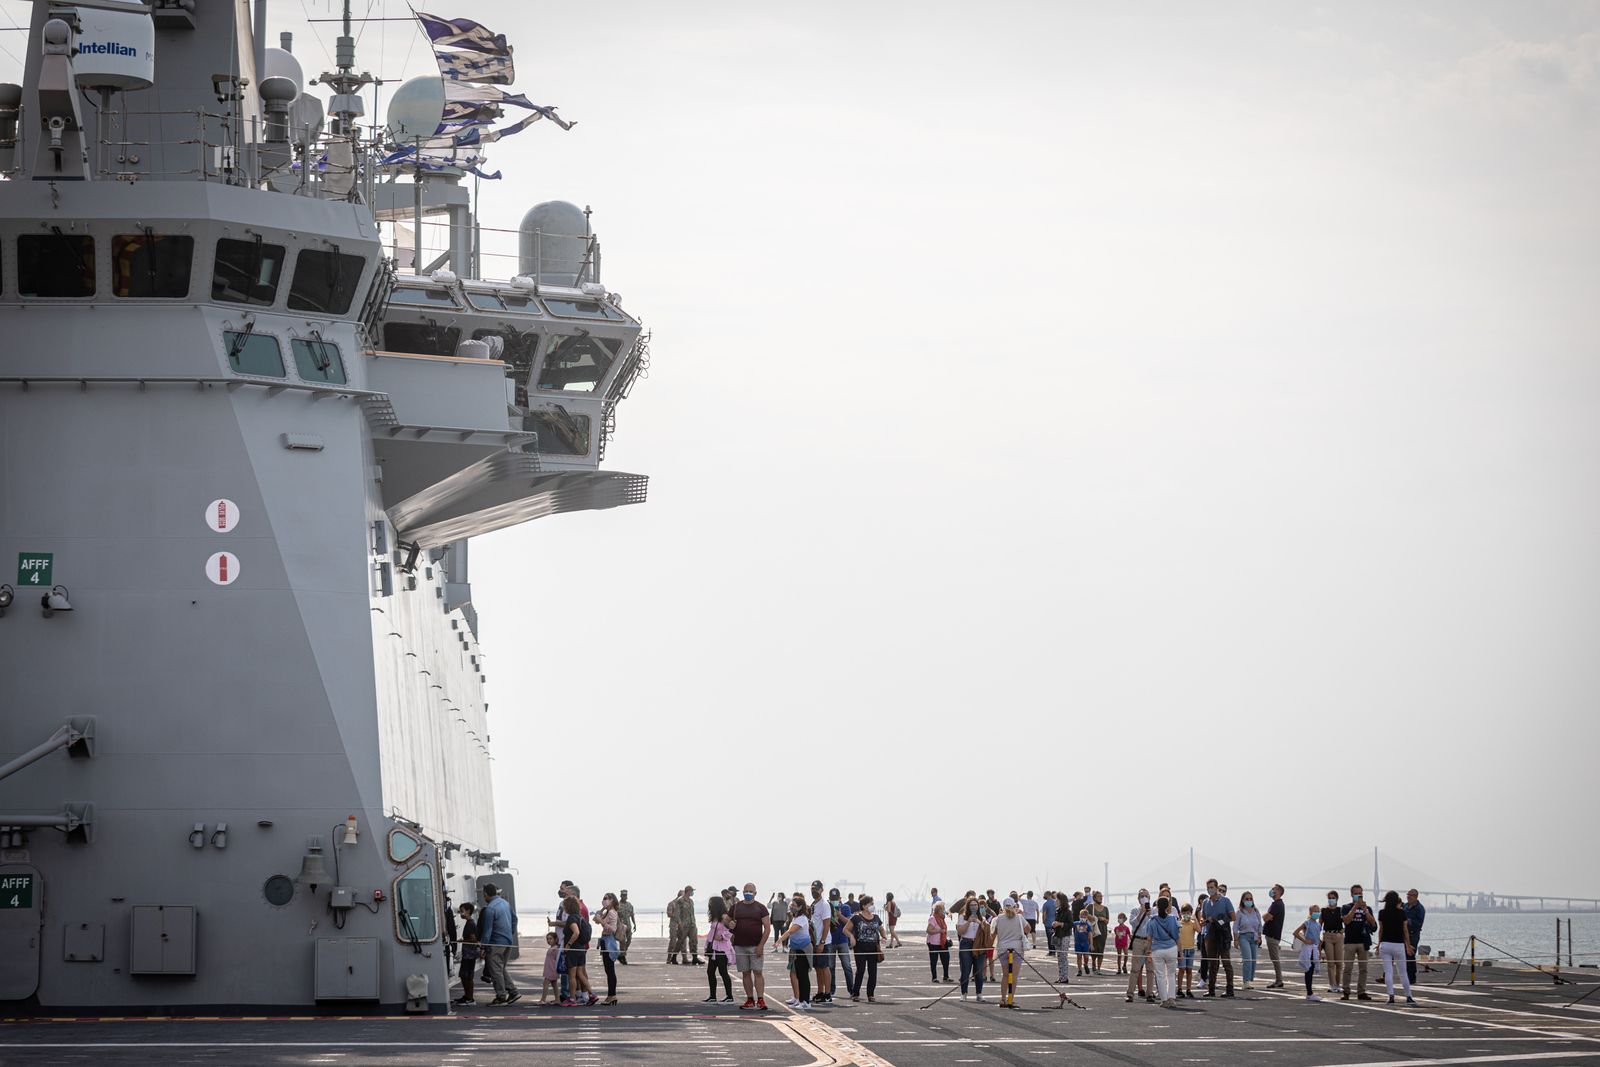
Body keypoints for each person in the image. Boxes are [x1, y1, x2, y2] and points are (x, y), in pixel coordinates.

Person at [478, 882, 520, 1005]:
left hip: (496, 943)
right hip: (507, 941)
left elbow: (488, 929)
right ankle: (513, 992)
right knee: (500, 968)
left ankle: (501, 996)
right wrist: (510, 933)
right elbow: (514, 919)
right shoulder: (505, 903)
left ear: (485, 894)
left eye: (483, 895)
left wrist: (483, 946)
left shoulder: (490, 908)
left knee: (495, 970)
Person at [731, 883, 772, 1010]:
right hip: (740, 945)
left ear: (755, 893)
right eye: (746, 891)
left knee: (758, 972)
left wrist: (761, 946)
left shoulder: (761, 908)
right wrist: (730, 924)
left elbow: (767, 928)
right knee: (745, 973)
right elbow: (726, 920)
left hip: (755, 946)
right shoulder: (736, 907)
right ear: (742, 892)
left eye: (750, 891)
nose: (748, 893)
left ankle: (760, 999)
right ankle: (750, 999)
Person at [1377, 890, 1417, 1005]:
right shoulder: (1402, 913)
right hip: (1399, 945)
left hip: (1385, 944)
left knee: (1388, 972)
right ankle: (1408, 996)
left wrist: (1379, 944)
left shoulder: (1382, 913)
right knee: (1403, 972)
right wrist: (1408, 946)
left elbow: (1381, 930)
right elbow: (1405, 930)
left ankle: (1390, 996)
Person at [1341, 884, 1377, 1002]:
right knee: (1348, 968)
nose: (1358, 896)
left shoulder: (1367, 908)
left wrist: (1365, 910)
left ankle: (1361, 991)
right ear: (1351, 895)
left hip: (1363, 941)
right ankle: (1346, 991)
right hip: (1350, 941)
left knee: (1363, 969)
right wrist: (1355, 907)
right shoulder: (1346, 907)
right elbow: (1346, 921)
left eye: (1360, 894)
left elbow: (1373, 924)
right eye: (1356, 894)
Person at [1202, 879, 1236, 997]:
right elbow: (1203, 917)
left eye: (1212, 887)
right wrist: (1204, 921)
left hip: (1223, 935)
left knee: (1226, 962)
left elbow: (1233, 917)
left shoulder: (1225, 901)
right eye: (1208, 887)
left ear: (1217, 888)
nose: (1210, 890)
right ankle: (1211, 989)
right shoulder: (1206, 902)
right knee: (1212, 964)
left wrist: (1218, 920)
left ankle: (1230, 989)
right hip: (1210, 935)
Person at [561, 896, 596, 1007]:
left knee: (572, 975)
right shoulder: (580, 917)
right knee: (581, 974)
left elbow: (576, 932)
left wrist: (568, 945)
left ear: (568, 907)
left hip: (573, 950)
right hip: (581, 948)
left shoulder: (572, 918)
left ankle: (572, 998)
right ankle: (592, 994)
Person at [994, 897, 1028, 1008]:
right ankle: (1010, 999)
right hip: (1016, 949)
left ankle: (1003, 999)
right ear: (1014, 906)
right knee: (1014, 976)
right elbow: (1028, 929)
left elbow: (993, 932)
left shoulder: (998, 918)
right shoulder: (1019, 917)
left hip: (1002, 949)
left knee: (1005, 975)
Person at [850, 896, 885, 1002]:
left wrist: (884, 937)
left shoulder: (876, 918)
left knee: (872, 971)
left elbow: (881, 929)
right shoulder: (856, 917)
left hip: (873, 947)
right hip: (860, 947)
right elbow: (846, 929)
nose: (872, 906)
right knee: (860, 970)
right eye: (870, 904)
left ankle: (871, 994)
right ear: (864, 906)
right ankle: (855, 993)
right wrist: (851, 937)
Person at [782, 897, 814, 1010]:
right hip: (796, 949)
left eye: (794, 905)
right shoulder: (795, 918)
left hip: (803, 949)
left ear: (800, 907)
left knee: (803, 976)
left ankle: (805, 1001)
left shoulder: (802, 919)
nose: (791, 907)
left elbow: (790, 931)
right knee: (799, 975)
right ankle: (801, 1000)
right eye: (791, 905)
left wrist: (778, 941)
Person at [1150, 896, 1181, 1008]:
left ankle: (1164, 1000)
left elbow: (1149, 937)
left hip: (1157, 949)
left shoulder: (1152, 920)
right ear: (1168, 906)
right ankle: (1171, 998)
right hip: (1171, 948)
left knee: (1160, 975)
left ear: (1157, 906)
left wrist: (1149, 951)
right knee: (1171, 975)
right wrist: (1180, 953)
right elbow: (1177, 937)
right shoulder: (1173, 919)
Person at [1125, 889, 1154, 1003]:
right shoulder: (1135, 910)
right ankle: (1130, 993)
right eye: (1142, 896)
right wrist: (1142, 912)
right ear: (1138, 899)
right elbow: (1133, 923)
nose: (1144, 898)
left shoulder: (1153, 911)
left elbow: (1155, 924)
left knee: (1150, 969)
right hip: (1138, 940)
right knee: (1135, 968)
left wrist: (1149, 914)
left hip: (1150, 941)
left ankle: (1150, 993)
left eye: (1146, 896)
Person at [704, 899, 736, 1003]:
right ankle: (712, 996)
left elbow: (731, 930)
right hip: (713, 947)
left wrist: (722, 937)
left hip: (721, 948)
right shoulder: (715, 917)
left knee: (723, 972)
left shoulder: (724, 917)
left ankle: (729, 996)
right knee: (710, 972)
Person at [956, 898, 987, 1002]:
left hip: (978, 944)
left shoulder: (982, 917)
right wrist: (968, 921)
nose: (974, 907)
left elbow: (987, 932)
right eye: (972, 905)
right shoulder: (962, 917)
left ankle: (979, 993)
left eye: (976, 905)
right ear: (968, 906)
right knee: (965, 969)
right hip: (966, 943)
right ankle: (964, 993)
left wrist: (979, 922)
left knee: (979, 970)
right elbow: (960, 932)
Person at [827, 887, 855, 1002]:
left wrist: (839, 915)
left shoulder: (845, 907)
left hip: (843, 941)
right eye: (832, 899)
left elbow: (850, 923)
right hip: (831, 941)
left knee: (847, 966)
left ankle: (852, 990)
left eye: (836, 898)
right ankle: (831, 990)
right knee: (831, 967)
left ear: (840, 898)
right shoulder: (827, 908)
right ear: (829, 899)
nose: (834, 900)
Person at [809, 881, 834, 1003]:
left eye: (816, 889)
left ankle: (828, 993)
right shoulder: (813, 904)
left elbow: (826, 925)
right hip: (814, 941)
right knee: (818, 967)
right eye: (812, 888)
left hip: (823, 941)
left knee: (824, 967)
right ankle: (820, 991)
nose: (814, 891)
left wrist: (822, 942)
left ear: (821, 890)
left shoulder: (824, 905)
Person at [594, 892, 621, 1004]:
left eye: (606, 899)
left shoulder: (612, 913)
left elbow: (613, 929)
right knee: (607, 969)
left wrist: (602, 922)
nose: (604, 900)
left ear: (612, 900)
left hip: (609, 941)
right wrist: (601, 912)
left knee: (610, 970)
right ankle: (611, 995)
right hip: (605, 941)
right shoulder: (607, 912)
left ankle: (612, 995)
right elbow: (596, 920)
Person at [1293, 905, 1324, 1001]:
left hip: (1315, 949)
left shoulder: (1319, 925)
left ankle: (1310, 992)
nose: (1317, 913)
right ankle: (1309, 993)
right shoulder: (1307, 923)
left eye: (1318, 911)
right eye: (1314, 911)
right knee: (1308, 970)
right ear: (1310, 913)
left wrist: (1319, 952)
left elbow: (1318, 940)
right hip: (1308, 949)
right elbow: (1296, 932)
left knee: (1312, 970)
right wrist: (1305, 941)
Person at [1236, 890, 1262, 990]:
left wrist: (1259, 936)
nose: (1249, 900)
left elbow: (1260, 925)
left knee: (1254, 960)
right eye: (1247, 899)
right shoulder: (1239, 912)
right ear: (1243, 900)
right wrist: (1235, 939)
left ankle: (1250, 980)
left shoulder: (1256, 911)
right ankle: (1245, 982)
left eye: (1250, 899)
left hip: (1254, 937)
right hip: (1243, 936)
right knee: (1248, 959)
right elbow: (1235, 926)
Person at [454, 902, 480, 1006]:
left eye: (462, 911)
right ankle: (467, 996)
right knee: (464, 975)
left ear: (468, 911)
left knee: (467, 976)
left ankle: (470, 998)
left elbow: (473, 939)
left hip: (469, 955)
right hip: (468, 954)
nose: (461, 913)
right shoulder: (470, 923)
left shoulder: (470, 924)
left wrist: (462, 941)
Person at [1320, 890, 1345, 993]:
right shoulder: (1324, 911)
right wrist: (1319, 939)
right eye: (1329, 898)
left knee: (1339, 963)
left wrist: (1342, 931)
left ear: (1337, 899)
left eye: (1333, 898)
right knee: (1331, 963)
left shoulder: (1341, 910)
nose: (1331, 900)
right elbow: (1319, 925)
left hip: (1338, 936)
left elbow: (1347, 922)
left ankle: (1338, 984)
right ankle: (1332, 985)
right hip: (1328, 936)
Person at [1263, 885, 1287, 989]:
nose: (1271, 891)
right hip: (1274, 935)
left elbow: (1266, 917)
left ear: (1278, 892)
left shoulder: (1277, 904)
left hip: (1272, 935)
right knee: (1275, 958)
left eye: (1274, 889)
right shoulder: (1277, 904)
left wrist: (1266, 916)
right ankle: (1279, 979)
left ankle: (1279, 980)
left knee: (1275, 959)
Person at [1404, 889, 1426, 987]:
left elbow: (1419, 923)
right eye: (1408, 895)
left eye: (1411, 895)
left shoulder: (1419, 908)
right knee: (1403, 955)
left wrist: (1407, 921)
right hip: (1403, 934)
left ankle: (1411, 977)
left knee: (1410, 955)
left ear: (1416, 896)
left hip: (1413, 934)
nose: (1408, 897)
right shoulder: (1405, 906)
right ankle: (1406, 976)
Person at [1178, 902, 1200, 998]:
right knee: (1181, 969)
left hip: (1190, 950)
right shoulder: (1179, 923)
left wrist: (1195, 919)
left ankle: (1188, 989)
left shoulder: (1192, 923)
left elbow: (1199, 930)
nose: (1186, 915)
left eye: (1188, 913)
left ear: (1191, 913)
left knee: (1189, 970)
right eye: (1184, 913)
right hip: (1182, 950)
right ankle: (1179, 988)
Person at [927, 900, 952, 982]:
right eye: (943, 909)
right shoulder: (933, 918)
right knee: (934, 960)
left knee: (946, 959)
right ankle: (934, 977)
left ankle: (946, 976)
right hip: (933, 943)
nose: (944, 910)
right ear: (939, 910)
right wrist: (939, 931)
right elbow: (928, 930)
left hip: (942, 942)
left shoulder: (942, 918)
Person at [1090, 891, 1111, 974]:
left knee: (1101, 949)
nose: (1101, 898)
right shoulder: (1090, 906)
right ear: (1094, 897)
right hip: (1094, 930)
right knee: (1094, 947)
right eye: (1099, 896)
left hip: (1103, 930)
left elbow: (1107, 920)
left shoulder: (1105, 908)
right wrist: (1096, 918)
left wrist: (1104, 919)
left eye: (1101, 896)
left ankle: (1099, 968)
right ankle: (1093, 964)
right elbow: (1085, 914)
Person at [682, 886, 702, 966]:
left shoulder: (691, 901)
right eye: (692, 891)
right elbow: (677, 914)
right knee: (681, 942)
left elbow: (692, 914)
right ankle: (674, 957)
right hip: (684, 925)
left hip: (692, 924)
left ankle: (695, 958)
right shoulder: (680, 901)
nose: (692, 892)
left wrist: (694, 923)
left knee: (694, 941)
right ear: (688, 891)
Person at [539, 931, 561, 1005]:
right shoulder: (553, 948)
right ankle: (557, 999)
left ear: (555, 939)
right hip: (550, 968)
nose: (549, 940)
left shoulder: (555, 949)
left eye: (550, 939)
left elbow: (557, 959)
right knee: (554, 984)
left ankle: (543, 999)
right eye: (547, 939)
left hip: (551, 969)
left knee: (545, 983)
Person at [616, 890, 637, 965]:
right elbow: (616, 916)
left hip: (628, 925)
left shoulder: (629, 905)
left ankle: (621, 954)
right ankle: (623, 957)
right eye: (623, 895)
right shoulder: (617, 905)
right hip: (621, 926)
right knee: (622, 942)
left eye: (625, 895)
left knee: (629, 940)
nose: (624, 896)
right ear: (621, 896)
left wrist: (634, 924)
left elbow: (632, 915)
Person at [667, 888, 686, 965]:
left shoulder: (685, 904)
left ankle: (684, 958)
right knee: (673, 942)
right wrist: (677, 915)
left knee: (683, 942)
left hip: (682, 925)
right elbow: (669, 914)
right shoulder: (671, 903)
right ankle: (669, 958)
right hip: (674, 925)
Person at [1072, 909, 1093, 975]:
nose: (1082, 918)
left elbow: (1090, 934)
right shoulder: (1076, 923)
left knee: (1086, 956)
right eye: (1081, 916)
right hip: (1077, 943)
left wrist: (1091, 944)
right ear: (1079, 916)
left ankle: (1085, 964)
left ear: (1086, 917)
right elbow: (1069, 925)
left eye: (1084, 916)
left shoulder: (1088, 925)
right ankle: (1079, 970)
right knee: (1079, 956)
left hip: (1085, 942)